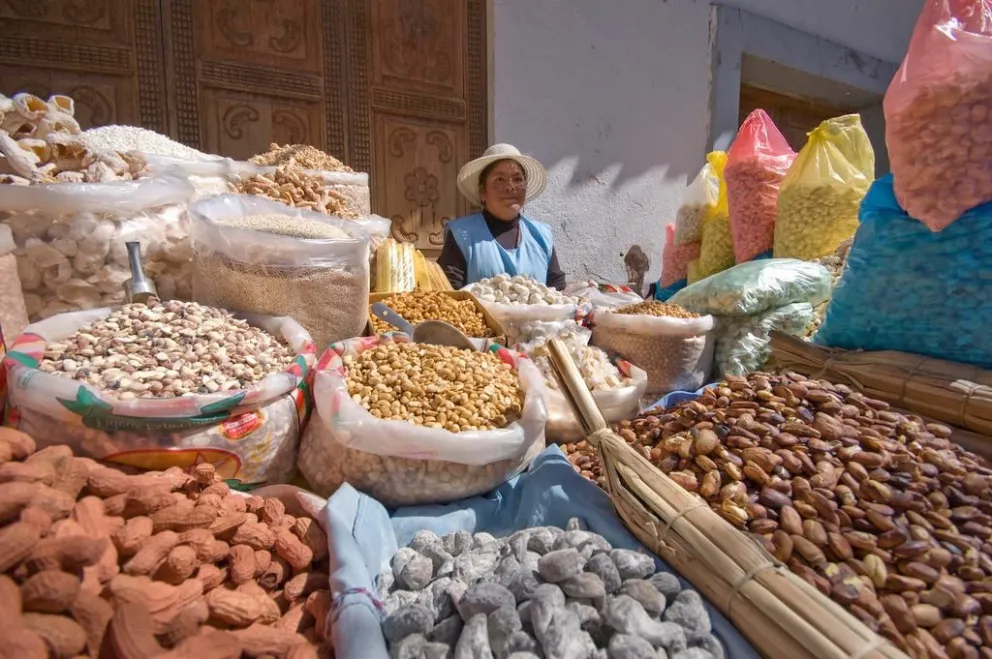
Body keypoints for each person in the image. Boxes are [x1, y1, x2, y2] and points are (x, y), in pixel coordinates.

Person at [438, 144, 567, 290]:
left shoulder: (541, 236)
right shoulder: (462, 234)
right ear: (482, 191)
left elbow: (557, 289)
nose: (510, 187)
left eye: (518, 179)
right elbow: (448, 293)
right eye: (499, 179)